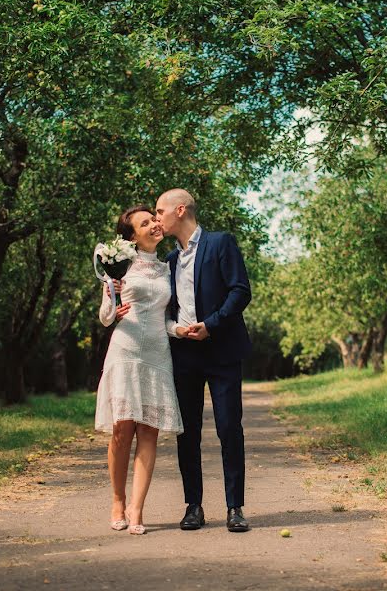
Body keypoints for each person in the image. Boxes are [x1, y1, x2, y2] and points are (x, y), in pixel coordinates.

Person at [155, 188, 253, 532]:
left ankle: (235, 507)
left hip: (222, 350)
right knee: (188, 433)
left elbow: (240, 290)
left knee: (229, 429)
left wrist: (211, 325)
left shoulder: (220, 242)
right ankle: (193, 506)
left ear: (180, 210)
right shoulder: (167, 260)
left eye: (160, 211)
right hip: (184, 355)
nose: (157, 218)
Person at [95, 205, 183, 535]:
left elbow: (165, 319)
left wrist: (180, 331)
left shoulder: (166, 268)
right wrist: (111, 301)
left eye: (154, 219)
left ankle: (137, 509)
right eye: (145, 223)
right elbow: (106, 316)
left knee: (149, 432)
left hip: (157, 355)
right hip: (126, 352)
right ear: (133, 236)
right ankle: (118, 500)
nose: (154, 225)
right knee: (122, 430)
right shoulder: (120, 266)